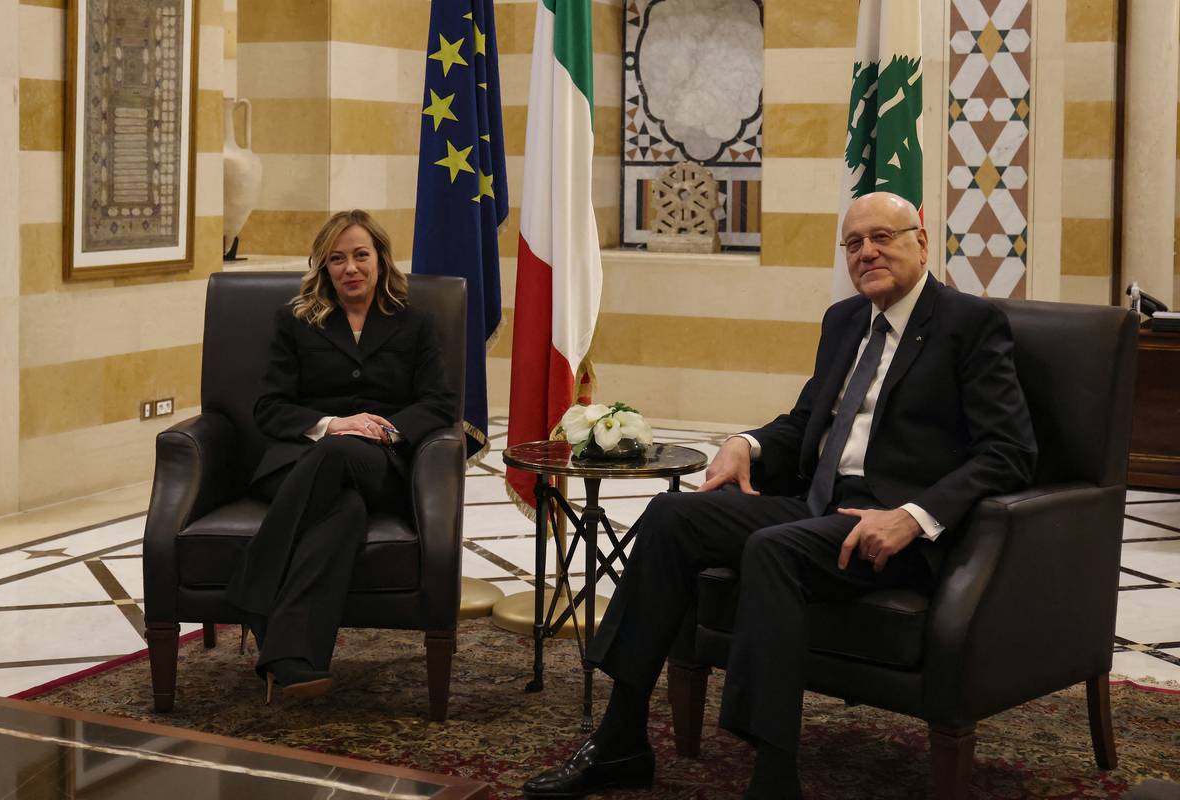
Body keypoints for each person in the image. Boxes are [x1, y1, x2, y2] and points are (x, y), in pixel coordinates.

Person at [522, 192, 1038, 799]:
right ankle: (620, 741)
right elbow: (806, 421)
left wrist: (914, 516)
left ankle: (773, 778)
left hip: (891, 524)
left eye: (882, 237)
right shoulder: (845, 321)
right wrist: (747, 444)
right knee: (669, 517)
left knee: (773, 548)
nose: (866, 252)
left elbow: (1009, 452)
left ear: (921, 242)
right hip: (815, 504)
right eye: (853, 243)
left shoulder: (968, 324)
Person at [226, 209, 456, 703]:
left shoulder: (415, 324)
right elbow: (269, 407)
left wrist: (382, 429)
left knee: (339, 459)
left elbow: (438, 404)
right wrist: (332, 425)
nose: (350, 268)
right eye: (337, 259)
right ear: (324, 268)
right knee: (345, 509)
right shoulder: (295, 321)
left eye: (360, 255)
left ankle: (252, 586)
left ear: (380, 260)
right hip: (294, 464)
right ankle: (290, 660)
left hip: (379, 461)